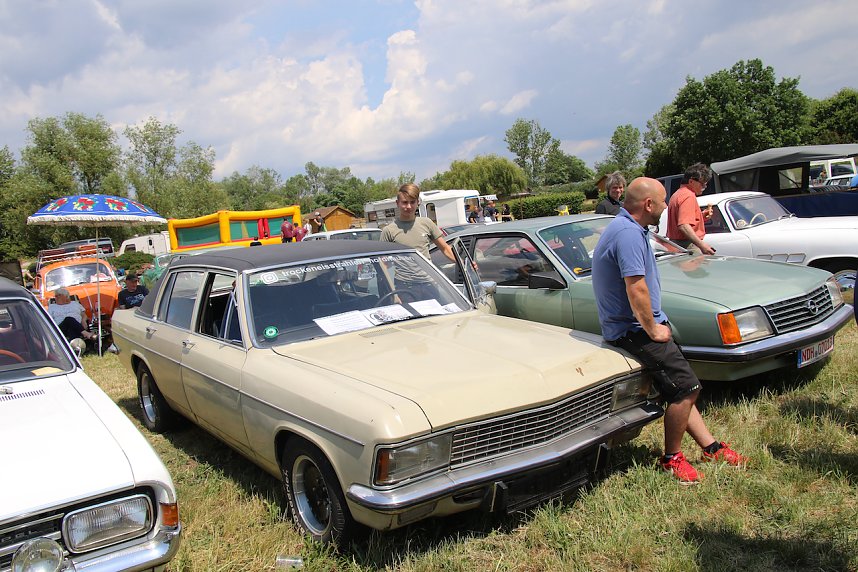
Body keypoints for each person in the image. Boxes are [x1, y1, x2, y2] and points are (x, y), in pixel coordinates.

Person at [591, 177, 746, 484]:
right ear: (648, 205)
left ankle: (710, 447)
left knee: (680, 388)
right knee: (688, 388)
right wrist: (652, 329)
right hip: (633, 329)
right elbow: (636, 288)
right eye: (662, 201)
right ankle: (672, 458)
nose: (666, 206)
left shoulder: (628, 229)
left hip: (641, 326)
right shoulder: (627, 235)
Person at [666, 163, 715, 254]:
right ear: (691, 181)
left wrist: (701, 216)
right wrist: (702, 245)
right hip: (688, 246)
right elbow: (683, 226)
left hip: (676, 244)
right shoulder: (688, 196)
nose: (704, 187)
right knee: (697, 268)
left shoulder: (677, 194)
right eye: (702, 184)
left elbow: (681, 221)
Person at [48, 287, 95, 355]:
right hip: (61, 329)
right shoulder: (52, 306)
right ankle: (86, 334)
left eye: (59, 295)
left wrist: (83, 321)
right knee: (69, 319)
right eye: (56, 296)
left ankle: (75, 350)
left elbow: (84, 315)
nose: (56, 297)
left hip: (77, 327)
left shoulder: (75, 304)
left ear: (66, 296)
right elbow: (49, 320)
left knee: (71, 328)